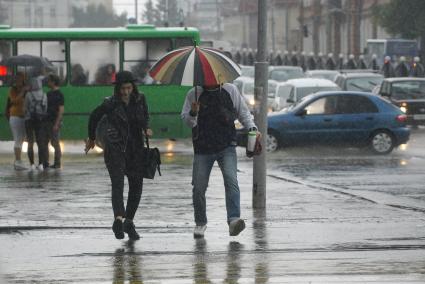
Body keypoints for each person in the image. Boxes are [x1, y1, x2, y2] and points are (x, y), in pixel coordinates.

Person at [181, 83, 259, 239]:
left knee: (231, 180)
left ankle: (233, 220)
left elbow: (243, 112)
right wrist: (193, 113)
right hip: (203, 148)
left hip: (226, 145)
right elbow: (188, 121)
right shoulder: (194, 93)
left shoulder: (230, 90)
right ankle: (200, 222)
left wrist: (252, 128)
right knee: (198, 187)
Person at [85, 70, 152, 241]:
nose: (126, 92)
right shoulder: (110, 103)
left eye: (129, 88)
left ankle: (128, 222)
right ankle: (118, 220)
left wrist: (146, 129)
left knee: (136, 186)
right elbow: (94, 117)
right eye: (123, 88)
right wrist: (92, 138)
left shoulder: (140, 99)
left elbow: (144, 117)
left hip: (136, 149)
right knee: (118, 183)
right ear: (117, 88)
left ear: (133, 87)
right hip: (116, 148)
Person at [24, 76, 49, 170]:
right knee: (40, 142)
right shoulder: (44, 95)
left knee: (30, 142)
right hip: (40, 121)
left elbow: (25, 108)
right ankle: (41, 164)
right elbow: (45, 108)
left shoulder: (28, 95)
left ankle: (32, 164)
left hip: (29, 120)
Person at [5, 72, 28, 170]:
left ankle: (19, 161)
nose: (17, 81)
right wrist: (22, 92)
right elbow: (13, 101)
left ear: (23, 80)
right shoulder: (13, 90)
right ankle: (18, 161)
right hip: (15, 117)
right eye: (16, 79)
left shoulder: (27, 90)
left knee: (22, 139)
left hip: (24, 117)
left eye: (19, 79)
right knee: (18, 139)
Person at [45, 74, 65, 168]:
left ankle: (57, 163)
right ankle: (46, 162)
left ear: (53, 82)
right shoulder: (48, 94)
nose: (47, 83)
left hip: (54, 121)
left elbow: (61, 110)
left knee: (55, 142)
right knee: (47, 142)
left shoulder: (59, 94)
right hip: (48, 121)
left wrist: (57, 123)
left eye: (49, 81)